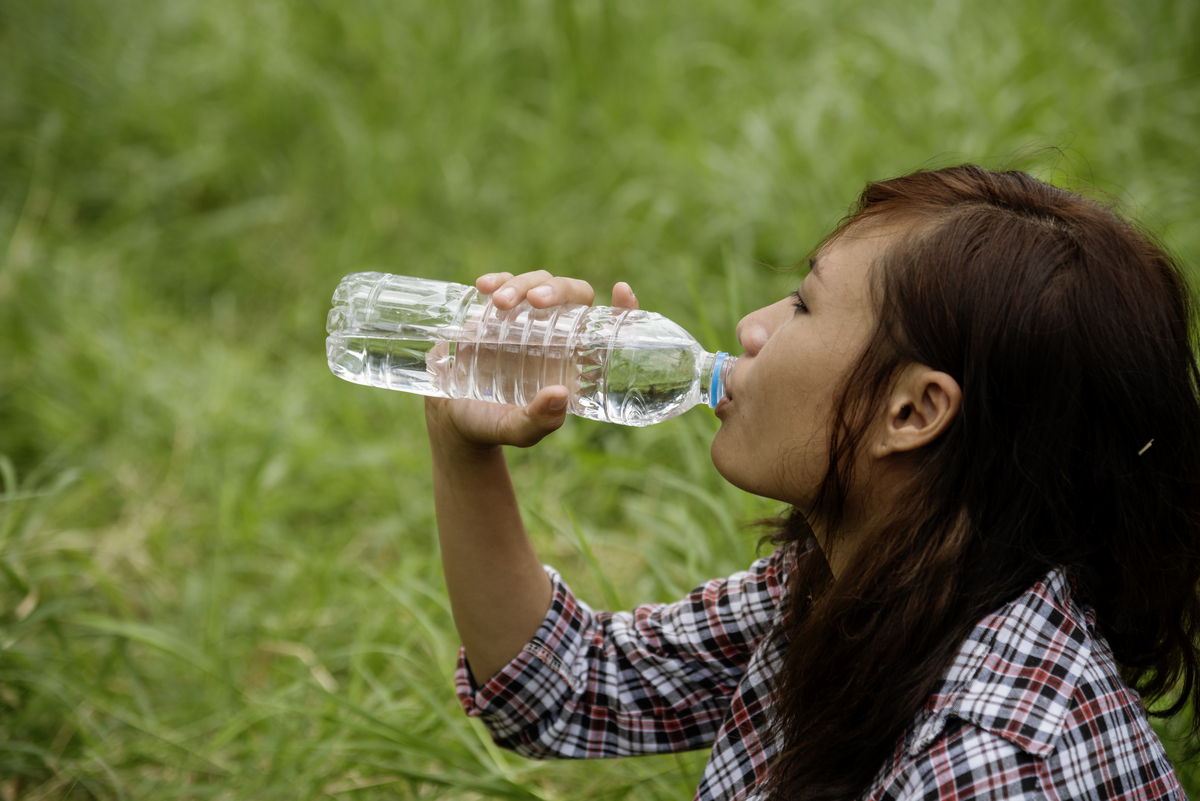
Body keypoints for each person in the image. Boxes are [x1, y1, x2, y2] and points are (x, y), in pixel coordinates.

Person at [423, 165, 1200, 800]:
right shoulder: (865, 583)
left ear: (914, 410)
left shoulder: (991, 762)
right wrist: (461, 442)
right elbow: (569, 688)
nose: (751, 327)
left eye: (802, 303)